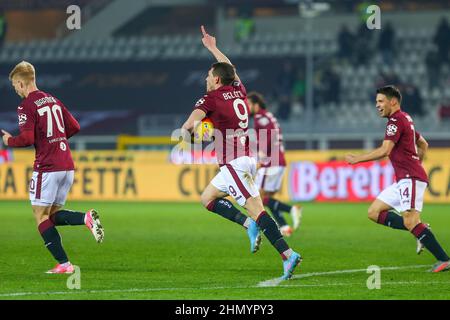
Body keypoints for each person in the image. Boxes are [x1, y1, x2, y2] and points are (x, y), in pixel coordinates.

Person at [181, 26, 301, 280]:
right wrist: (212, 48)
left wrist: (191, 134)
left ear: (216, 80)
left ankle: (287, 254)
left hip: (234, 163)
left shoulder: (209, 100)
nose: (205, 79)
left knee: (257, 209)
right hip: (244, 160)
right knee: (207, 198)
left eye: (208, 75)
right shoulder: (240, 90)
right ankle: (249, 226)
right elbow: (230, 69)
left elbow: (188, 125)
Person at [1, 61, 105, 274]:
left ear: (21, 83)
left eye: (14, 85)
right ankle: (84, 219)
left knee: (40, 217)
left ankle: (65, 264)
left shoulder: (26, 105)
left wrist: (10, 141)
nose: (15, 89)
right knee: (52, 215)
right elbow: (75, 126)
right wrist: (55, 139)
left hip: (47, 166)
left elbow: (28, 138)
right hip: (66, 164)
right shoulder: (54, 100)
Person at [345, 85, 449, 273]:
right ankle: (420, 230)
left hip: (410, 177)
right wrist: (418, 162)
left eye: (380, 101)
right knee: (374, 212)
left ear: (393, 101)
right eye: (376, 101)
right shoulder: (406, 119)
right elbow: (423, 144)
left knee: (410, 221)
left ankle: (444, 259)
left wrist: (357, 159)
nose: (377, 105)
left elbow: (385, 150)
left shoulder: (395, 120)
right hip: (404, 178)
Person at [247, 91, 302, 237]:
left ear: (255, 105)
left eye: (248, 105)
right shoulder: (268, 115)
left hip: (271, 162)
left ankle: (291, 210)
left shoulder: (260, 117)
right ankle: (284, 226)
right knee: (267, 198)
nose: (247, 108)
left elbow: (269, 136)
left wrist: (262, 158)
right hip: (279, 160)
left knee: (258, 197)